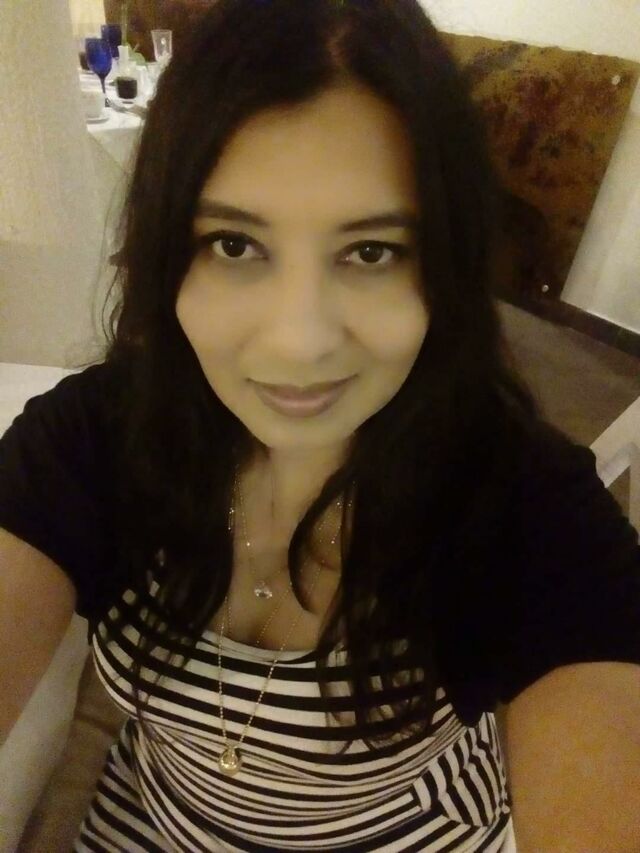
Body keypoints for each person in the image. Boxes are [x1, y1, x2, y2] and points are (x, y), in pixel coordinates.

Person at [1, 1, 639, 850]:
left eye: (371, 251)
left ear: (443, 271)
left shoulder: (526, 507)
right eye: (235, 244)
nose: (299, 341)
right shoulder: (97, 438)